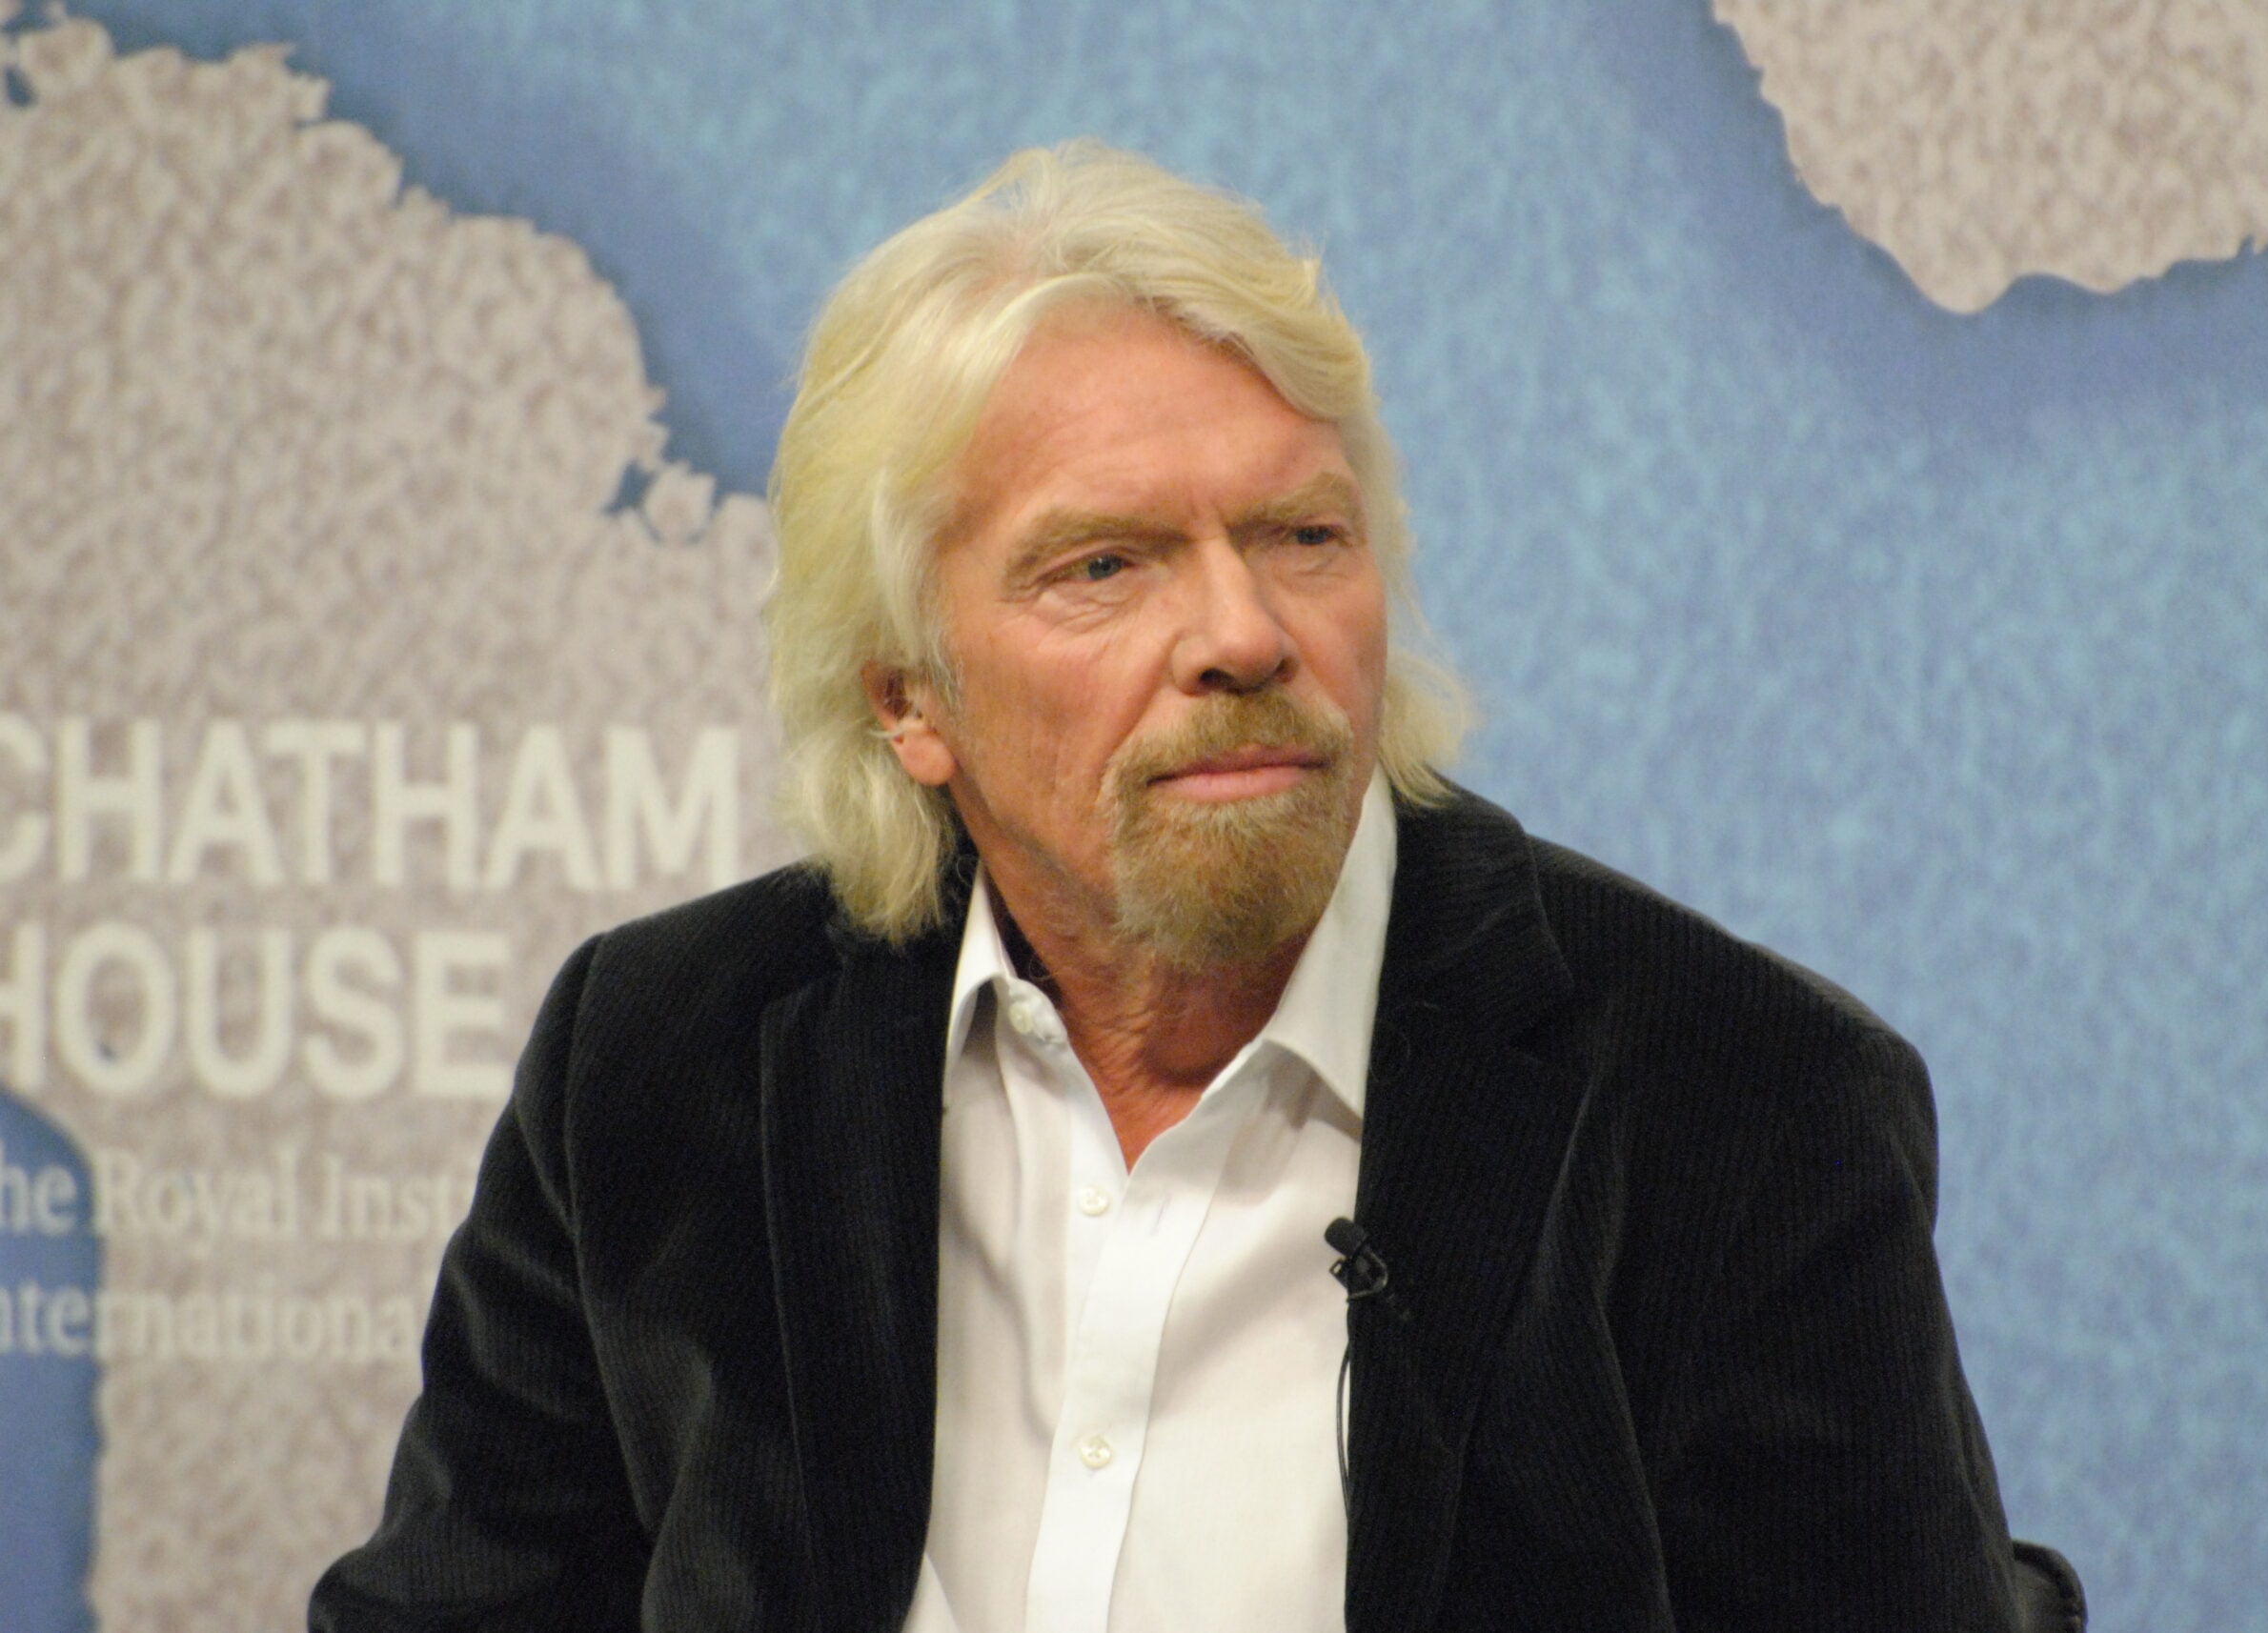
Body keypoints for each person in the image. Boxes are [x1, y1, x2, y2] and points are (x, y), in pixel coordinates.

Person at [313, 141, 2018, 1632]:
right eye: (1104, 564)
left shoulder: (1735, 1102)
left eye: (1303, 537)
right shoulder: (662, 1057)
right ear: (909, 694)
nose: (1245, 634)